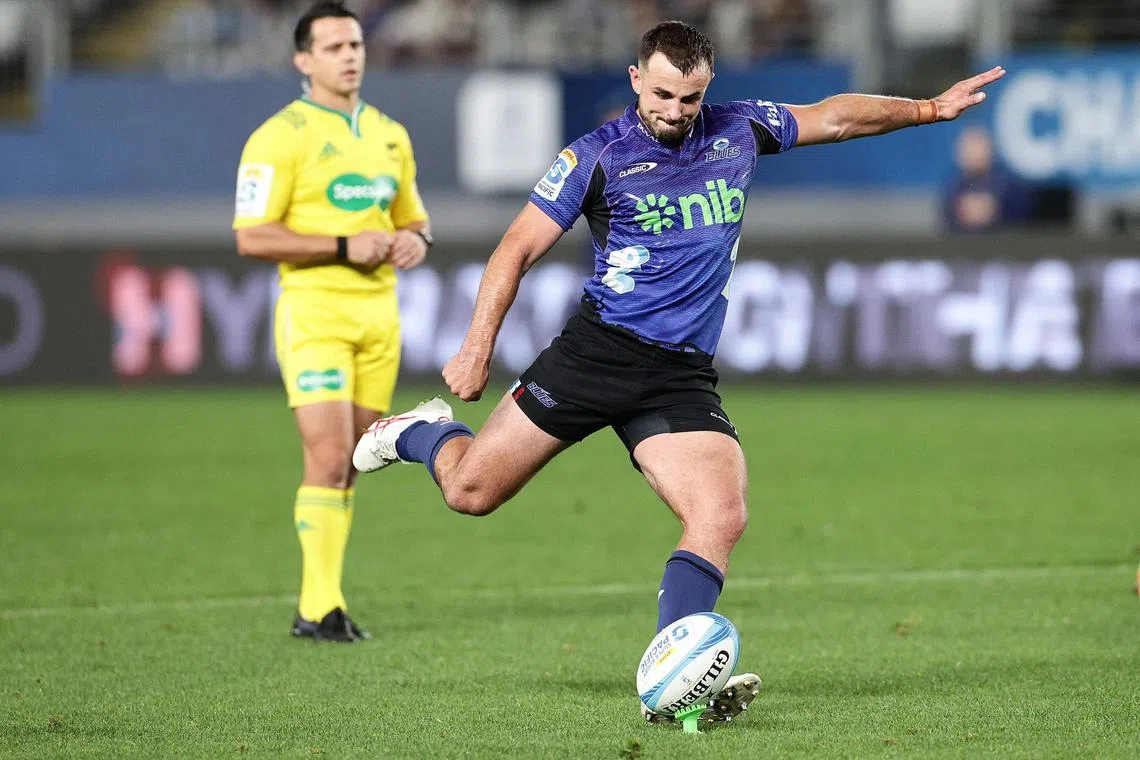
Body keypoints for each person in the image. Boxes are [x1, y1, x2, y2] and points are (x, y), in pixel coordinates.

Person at [354, 21, 1002, 717]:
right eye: (662, 93)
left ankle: (676, 676)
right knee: (470, 492)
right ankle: (421, 432)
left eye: (689, 98)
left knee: (719, 514)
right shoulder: (595, 157)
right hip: (596, 355)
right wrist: (477, 347)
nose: (673, 110)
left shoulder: (740, 130)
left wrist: (927, 110)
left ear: (707, 89)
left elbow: (836, 117)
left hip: (679, 374)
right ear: (638, 80)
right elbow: (514, 251)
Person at [233, 0, 432, 642]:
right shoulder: (277, 136)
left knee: (351, 461)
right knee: (324, 456)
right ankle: (318, 608)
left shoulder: (389, 134)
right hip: (315, 313)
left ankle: (322, 602)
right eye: (334, 48)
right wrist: (345, 247)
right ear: (303, 60)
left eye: (355, 45)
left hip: (379, 319)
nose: (350, 56)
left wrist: (414, 241)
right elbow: (252, 237)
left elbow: (413, 219)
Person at [942, 124, 1032, 233]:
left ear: (990, 149)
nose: (973, 153)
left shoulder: (1008, 184)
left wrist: (996, 208)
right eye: (968, 147)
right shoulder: (953, 186)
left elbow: (1022, 214)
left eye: (977, 145)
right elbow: (947, 220)